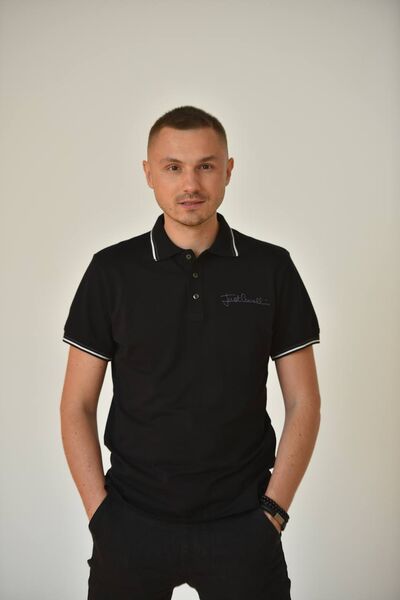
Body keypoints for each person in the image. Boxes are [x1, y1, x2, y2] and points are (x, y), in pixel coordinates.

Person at [60, 105, 321, 600]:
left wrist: (273, 512)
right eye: (173, 167)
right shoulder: (111, 271)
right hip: (131, 521)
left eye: (205, 166)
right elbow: (76, 403)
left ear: (228, 170)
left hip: (243, 522)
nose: (190, 184)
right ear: (148, 174)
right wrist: (101, 515)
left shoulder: (271, 268)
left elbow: (304, 401)